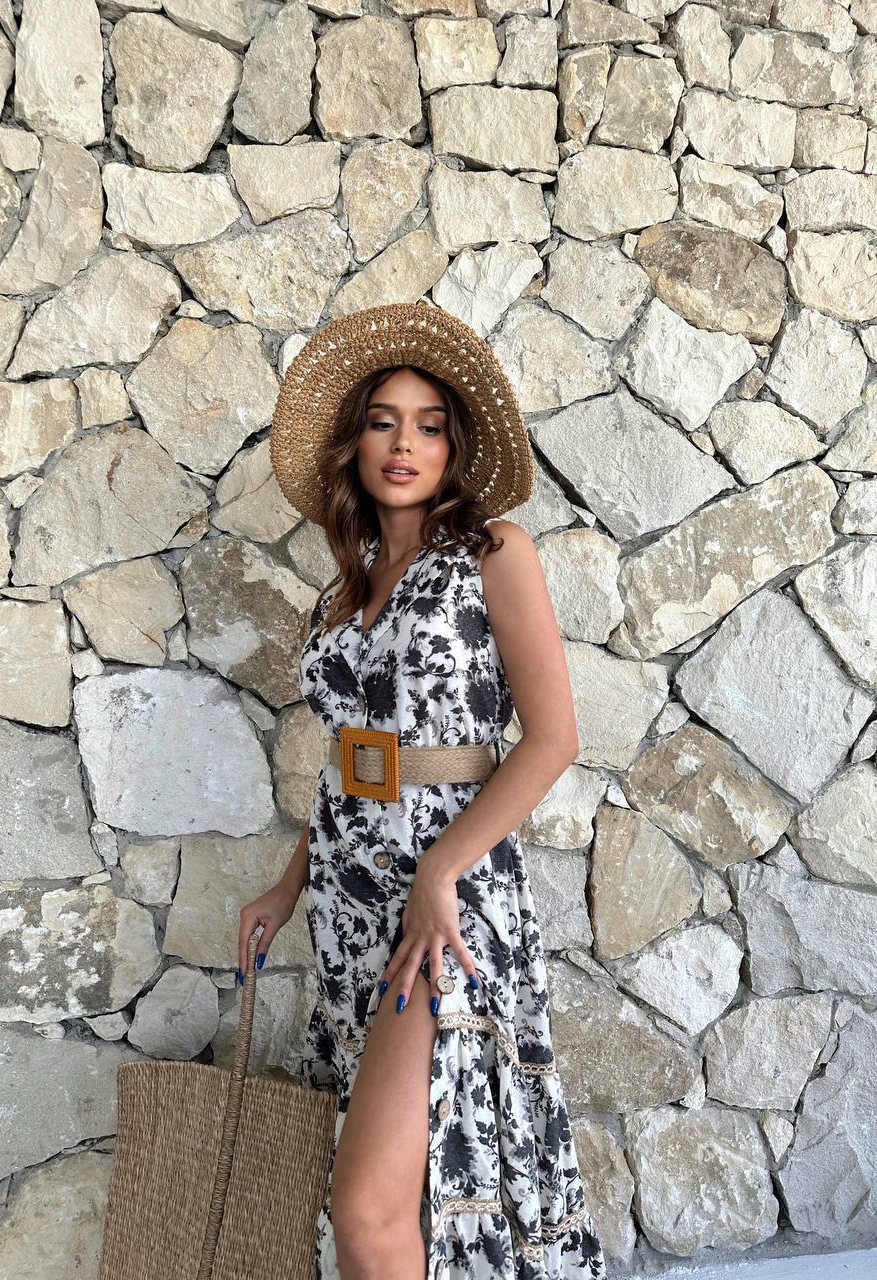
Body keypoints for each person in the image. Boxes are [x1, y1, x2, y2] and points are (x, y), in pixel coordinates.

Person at [238, 302, 606, 1280]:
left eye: (429, 424)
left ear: (455, 447)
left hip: (448, 895)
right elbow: (355, 764)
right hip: (348, 900)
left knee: (366, 1209)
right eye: (383, 421)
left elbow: (553, 739)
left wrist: (441, 870)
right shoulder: (345, 585)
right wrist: (288, 885)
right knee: (392, 1200)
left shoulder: (494, 555)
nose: (404, 443)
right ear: (355, 443)